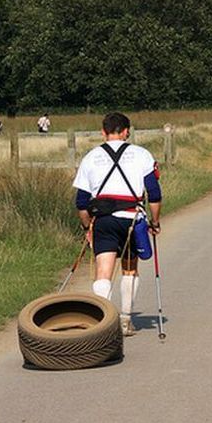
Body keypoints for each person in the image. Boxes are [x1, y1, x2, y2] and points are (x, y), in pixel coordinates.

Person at [72, 112, 162, 336]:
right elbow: (154, 193)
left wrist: (87, 228)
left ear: (103, 132)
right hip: (132, 219)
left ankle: (102, 324)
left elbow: (81, 202)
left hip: (103, 221)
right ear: (126, 132)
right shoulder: (142, 155)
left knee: (103, 271)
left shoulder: (90, 157)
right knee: (130, 268)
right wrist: (155, 221)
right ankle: (125, 320)